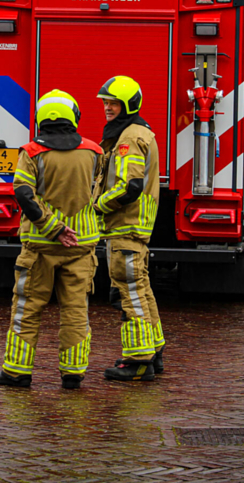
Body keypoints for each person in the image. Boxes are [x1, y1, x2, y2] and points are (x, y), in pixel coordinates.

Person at [0, 90, 103, 390]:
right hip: (81, 247)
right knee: (76, 310)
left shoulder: (30, 153)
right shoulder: (94, 152)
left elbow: (23, 195)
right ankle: (73, 374)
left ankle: (16, 372)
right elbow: (100, 193)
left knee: (27, 308)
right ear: (74, 116)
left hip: (40, 247)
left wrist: (52, 228)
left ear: (41, 119)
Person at [93, 75, 164, 382]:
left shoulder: (127, 139)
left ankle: (138, 360)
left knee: (129, 294)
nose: (107, 108)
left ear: (127, 105)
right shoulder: (139, 131)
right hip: (133, 229)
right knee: (142, 291)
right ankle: (154, 349)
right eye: (106, 102)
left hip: (125, 227)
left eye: (113, 103)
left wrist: (96, 206)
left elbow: (129, 186)